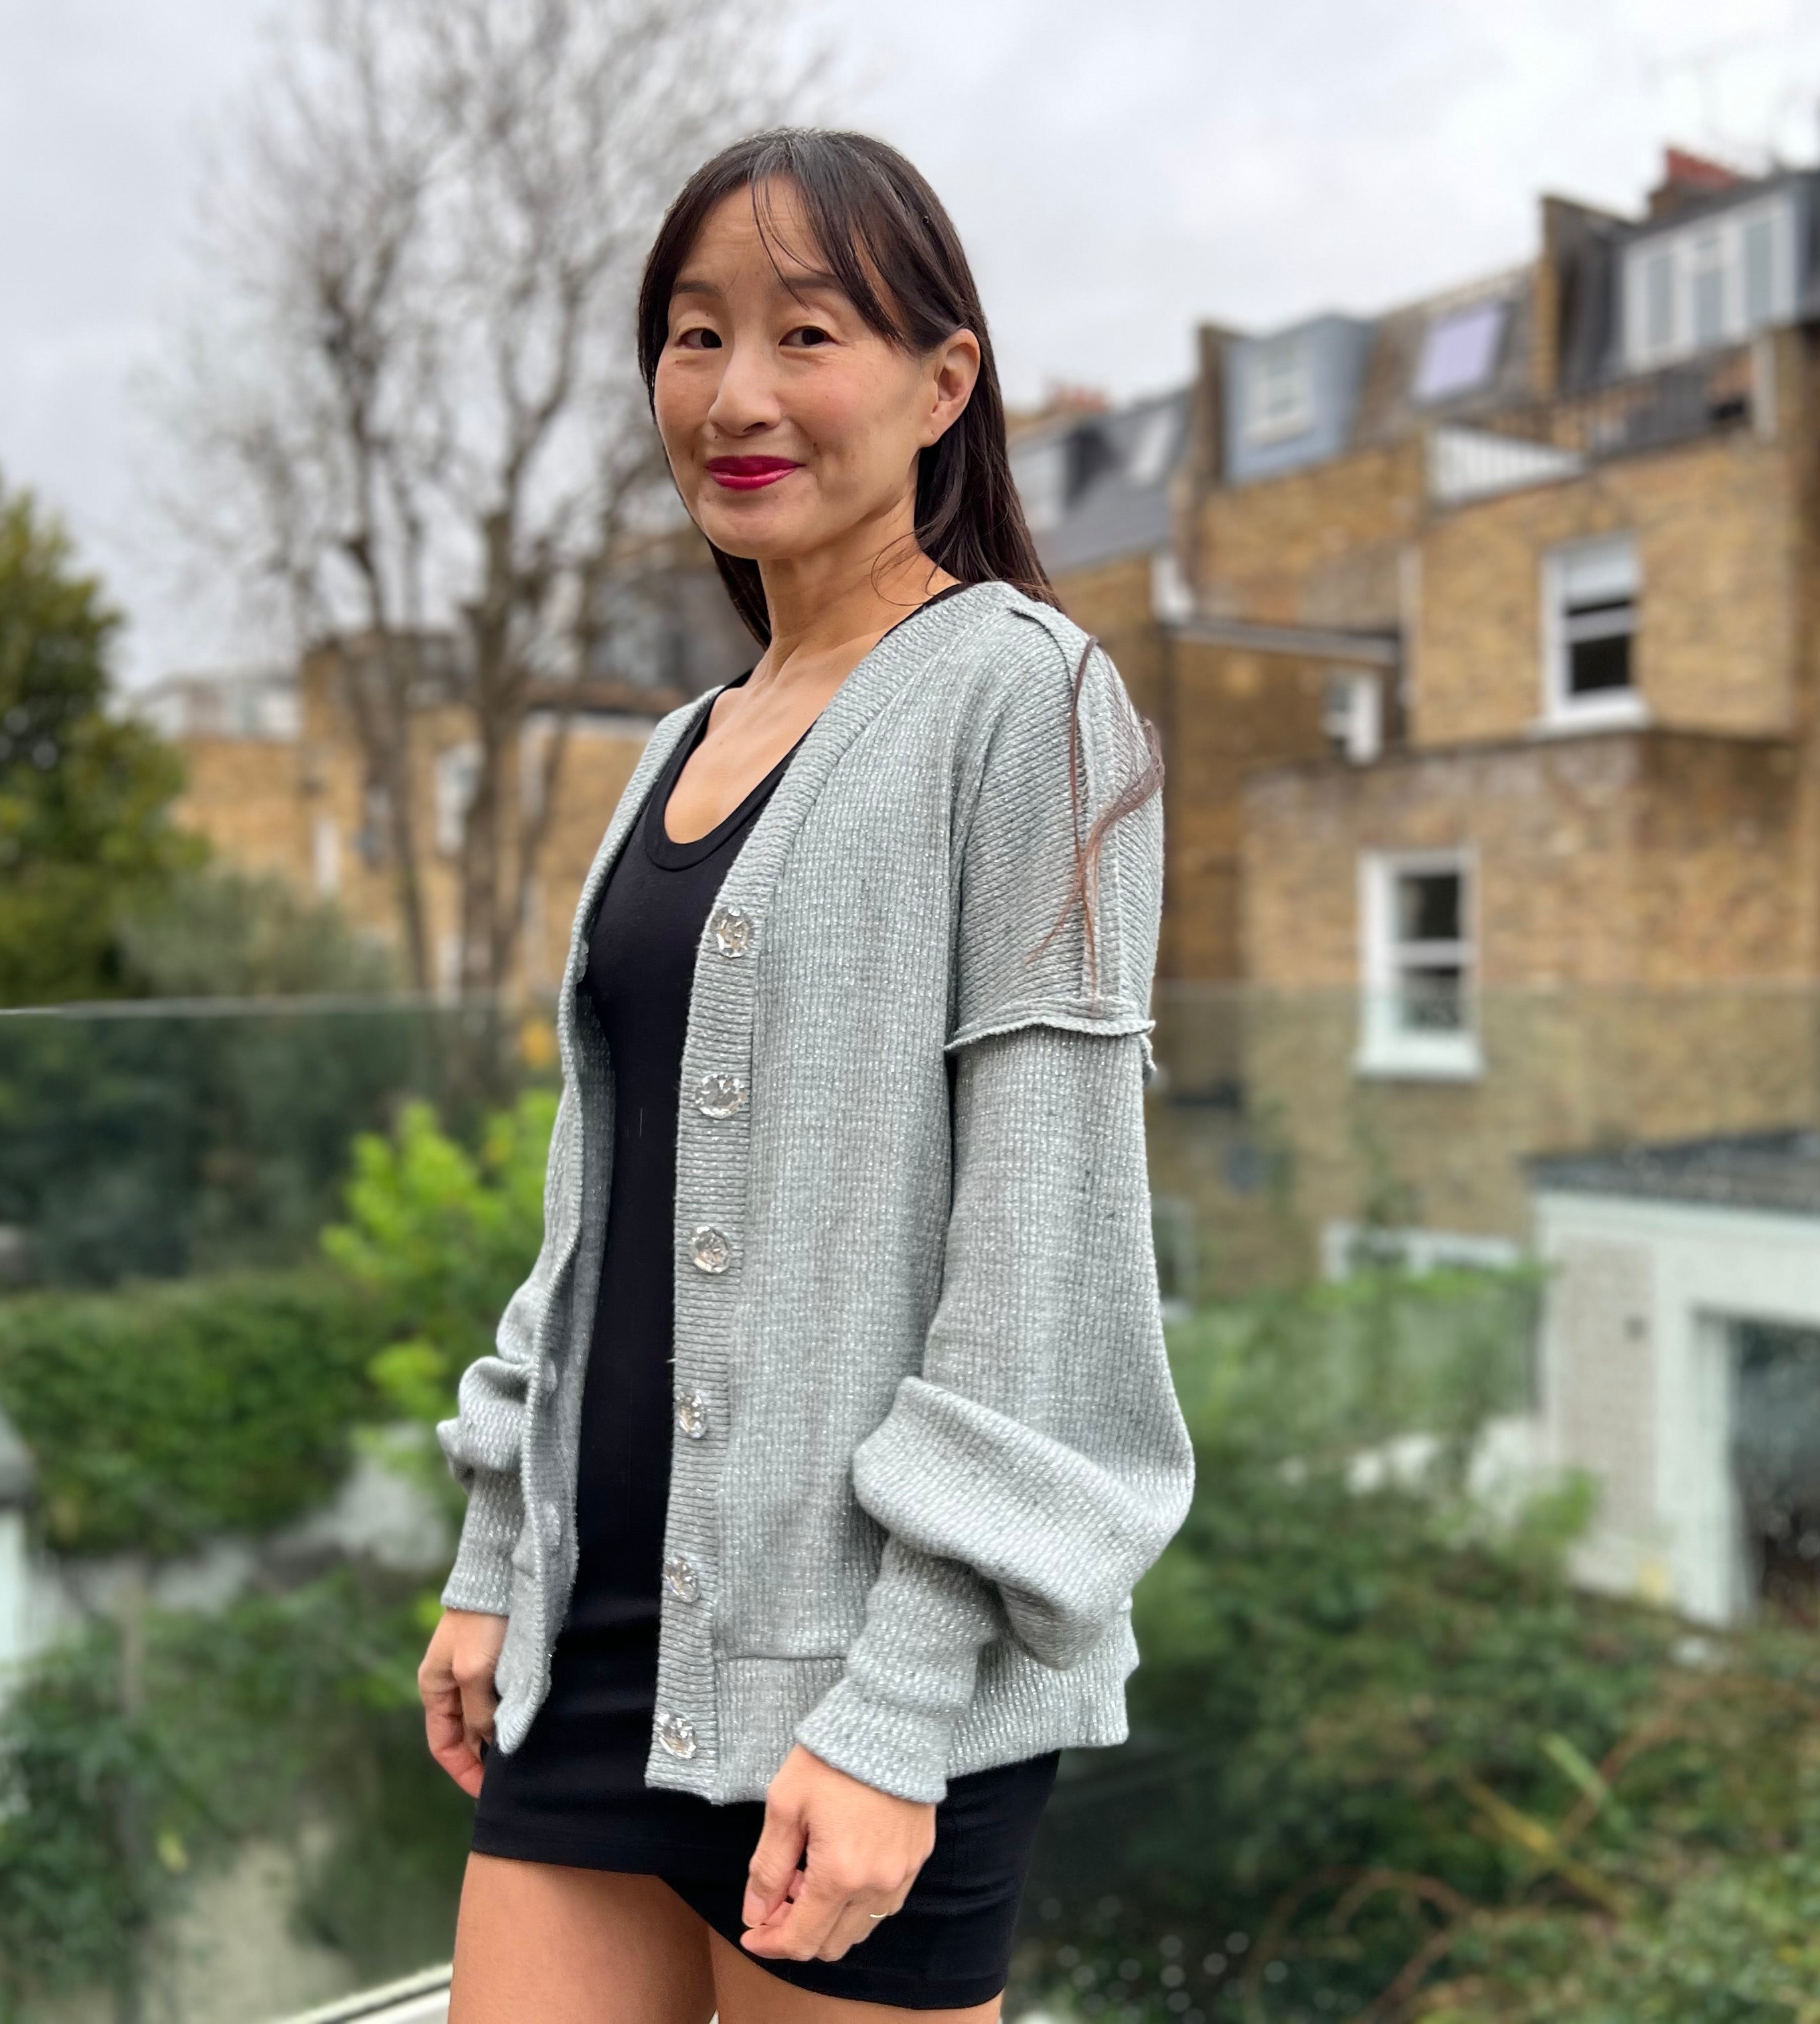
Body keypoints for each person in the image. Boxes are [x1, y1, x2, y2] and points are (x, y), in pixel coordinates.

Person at [416, 126, 1194, 2024]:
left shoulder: (1033, 704)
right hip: (597, 1648)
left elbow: (1042, 1263)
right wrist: (493, 1541)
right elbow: (598, 1207)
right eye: (693, 338)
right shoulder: (673, 742)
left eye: (807, 334)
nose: (738, 395)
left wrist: (905, 1704)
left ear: (944, 382)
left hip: (856, 1686)